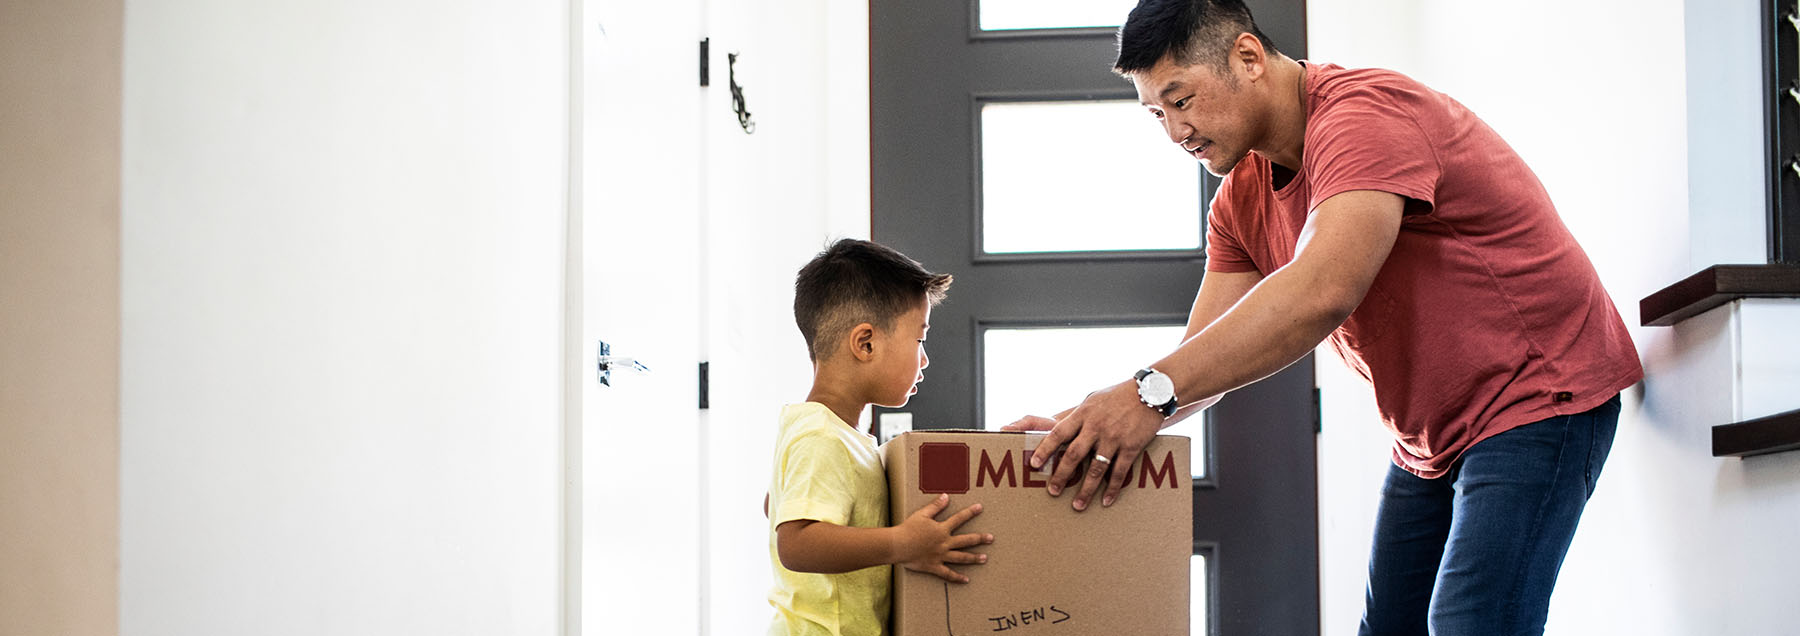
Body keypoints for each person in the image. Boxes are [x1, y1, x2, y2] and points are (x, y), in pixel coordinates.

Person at [1004, 1, 1643, 634]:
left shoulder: (1364, 116)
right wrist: (1089, 424)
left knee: (1470, 622)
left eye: (1181, 99)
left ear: (1247, 57)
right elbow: (1201, 355)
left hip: (1540, 396)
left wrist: (1145, 398)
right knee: (1387, 626)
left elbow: (1323, 289)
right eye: (1155, 113)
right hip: (1432, 435)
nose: (1175, 132)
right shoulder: (1239, 202)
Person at [765, 238, 994, 636]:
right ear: (866, 343)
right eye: (919, 339)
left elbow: (775, 505)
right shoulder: (821, 436)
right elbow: (795, 544)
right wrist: (900, 544)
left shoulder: (837, 435)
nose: (925, 358)